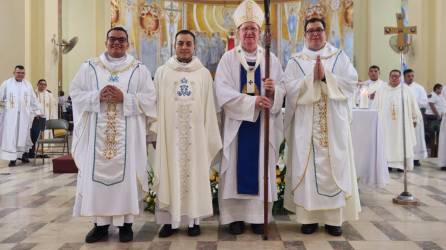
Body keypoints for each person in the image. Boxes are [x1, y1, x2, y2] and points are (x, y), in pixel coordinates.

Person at [70, 27, 157, 243]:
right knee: (96, 179)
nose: (116, 43)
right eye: (112, 39)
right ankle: (100, 225)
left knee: (127, 178)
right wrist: (97, 96)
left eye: (121, 40)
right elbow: (76, 93)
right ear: (106, 41)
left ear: (128, 44)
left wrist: (125, 98)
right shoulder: (89, 67)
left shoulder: (139, 69)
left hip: (128, 137)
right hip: (95, 138)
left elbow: (150, 99)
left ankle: (126, 224)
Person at [283, 9, 361, 236]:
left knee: (336, 166)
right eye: (310, 31)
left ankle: (333, 221)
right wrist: (311, 79)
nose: (315, 34)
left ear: (325, 33)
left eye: (319, 30)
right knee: (307, 170)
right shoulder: (296, 61)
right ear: (304, 35)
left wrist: (326, 77)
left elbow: (351, 83)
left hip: (334, 128)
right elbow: (289, 88)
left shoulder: (339, 57)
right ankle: (308, 218)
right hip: (306, 128)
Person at [214, 0, 286, 235]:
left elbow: (283, 89)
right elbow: (222, 91)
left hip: (262, 128)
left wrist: (274, 91)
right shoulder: (228, 59)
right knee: (235, 166)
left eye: (253, 29)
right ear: (238, 32)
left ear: (260, 32)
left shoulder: (271, 59)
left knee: (261, 167)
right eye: (245, 29)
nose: (249, 33)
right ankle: (234, 217)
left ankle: (257, 217)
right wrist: (252, 101)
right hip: (236, 126)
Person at [153, 30, 222, 238]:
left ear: (195, 47)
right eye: (180, 43)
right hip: (169, 137)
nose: (184, 47)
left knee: (194, 175)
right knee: (169, 173)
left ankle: (194, 221)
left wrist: (208, 134)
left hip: (196, 138)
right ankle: (168, 222)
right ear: (174, 46)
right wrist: (155, 133)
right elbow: (155, 106)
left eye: (188, 44)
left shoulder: (203, 74)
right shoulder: (163, 72)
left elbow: (210, 108)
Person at [373, 70, 421, 172]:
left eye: (397, 76)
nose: (394, 78)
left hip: (402, 124)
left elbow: (413, 105)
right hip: (386, 124)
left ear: (400, 78)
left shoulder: (406, 90)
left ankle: (401, 165)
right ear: (389, 77)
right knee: (386, 142)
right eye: (392, 76)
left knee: (402, 141)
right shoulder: (382, 90)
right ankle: (387, 164)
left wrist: (414, 118)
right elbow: (375, 106)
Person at [0, 65, 43, 167]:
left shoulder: (27, 85)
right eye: (18, 73)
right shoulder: (7, 84)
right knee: (12, 136)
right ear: (14, 72)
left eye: (22, 73)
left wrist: (38, 111)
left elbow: (33, 100)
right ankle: (12, 158)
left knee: (24, 135)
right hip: (11, 116)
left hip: (24, 116)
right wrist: (5, 106)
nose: (20, 75)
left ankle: (23, 154)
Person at [28, 79, 58, 158]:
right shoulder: (33, 94)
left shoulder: (49, 95)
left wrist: (53, 118)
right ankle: (34, 151)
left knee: (45, 134)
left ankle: (43, 152)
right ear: (37, 84)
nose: (43, 86)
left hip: (46, 118)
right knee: (35, 135)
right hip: (36, 118)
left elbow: (53, 107)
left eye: (44, 84)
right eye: (41, 84)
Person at [404, 69, 428, 165]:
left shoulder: (419, 88)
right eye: (408, 76)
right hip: (404, 116)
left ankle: (416, 158)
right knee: (405, 137)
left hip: (416, 115)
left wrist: (414, 103)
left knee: (417, 137)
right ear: (404, 76)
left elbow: (425, 102)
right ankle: (405, 157)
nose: (411, 78)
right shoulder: (400, 87)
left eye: (412, 76)